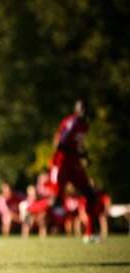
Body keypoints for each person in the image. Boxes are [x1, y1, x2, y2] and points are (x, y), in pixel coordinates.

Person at [48, 99, 100, 243]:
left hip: (73, 164)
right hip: (61, 164)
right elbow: (59, 144)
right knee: (54, 202)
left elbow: (78, 145)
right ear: (75, 109)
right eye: (81, 108)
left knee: (90, 196)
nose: (84, 111)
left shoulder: (85, 125)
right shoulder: (72, 122)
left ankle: (89, 234)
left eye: (86, 108)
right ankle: (27, 208)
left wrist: (85, 156)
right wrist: (79, 155)